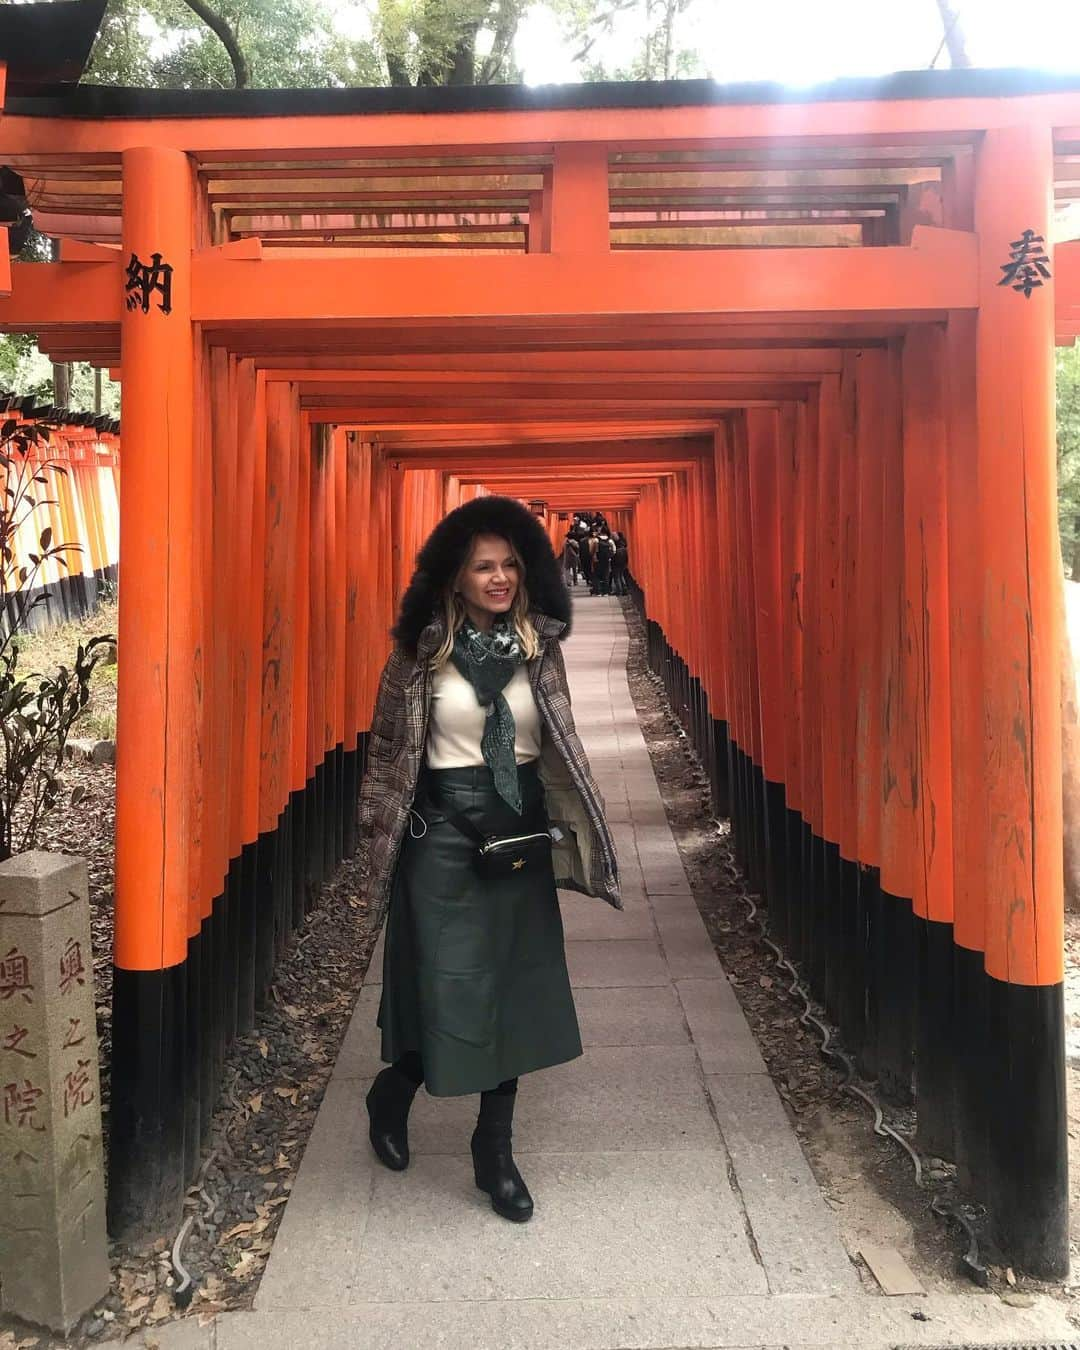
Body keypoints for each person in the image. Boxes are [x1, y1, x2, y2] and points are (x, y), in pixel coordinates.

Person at [359, 496, 621, 1224]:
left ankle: (494, 1152)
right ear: (455, 576)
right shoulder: (419, 656)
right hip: (439, 835)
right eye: (483, 566)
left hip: (518, 833)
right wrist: (374, 839)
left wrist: (578, 830)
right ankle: (395, 1088)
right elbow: (386, 756)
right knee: (448, 991)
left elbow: (560, 746)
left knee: (508, 993)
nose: (499, 578)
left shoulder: (542, 646)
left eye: (509, 564)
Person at [593, 529, 615, 596]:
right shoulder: (610, 540)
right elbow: (614, 550)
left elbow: (593, 550)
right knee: (606, 576)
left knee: (597, 576)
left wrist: (594, 557)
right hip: (607, 560)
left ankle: (598, 592)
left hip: (598, 560)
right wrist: (610, 556)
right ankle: (606, 592)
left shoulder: (596, 540)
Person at [611, 531, 629, 596]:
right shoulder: (623, 544)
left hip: (616, 562)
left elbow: (612, 554)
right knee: (621, 575)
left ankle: (619, 591)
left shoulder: (614, 545)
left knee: (617, 577)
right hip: (623, 562)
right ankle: (625, 589)